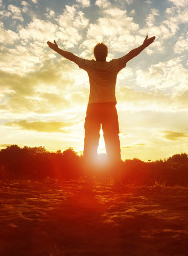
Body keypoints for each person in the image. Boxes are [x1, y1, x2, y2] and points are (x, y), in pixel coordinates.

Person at [47, 35, 156, 171]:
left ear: (95, 54)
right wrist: (144, 45)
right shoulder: (114, 65)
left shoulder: (90, 65)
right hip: (109, 108)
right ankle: (116, 178)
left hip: (93, 108)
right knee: (113, 143)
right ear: (106, 54)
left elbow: (72, 57)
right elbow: (130, 55)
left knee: (90, 142)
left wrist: (57, 49)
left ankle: (89, 177)